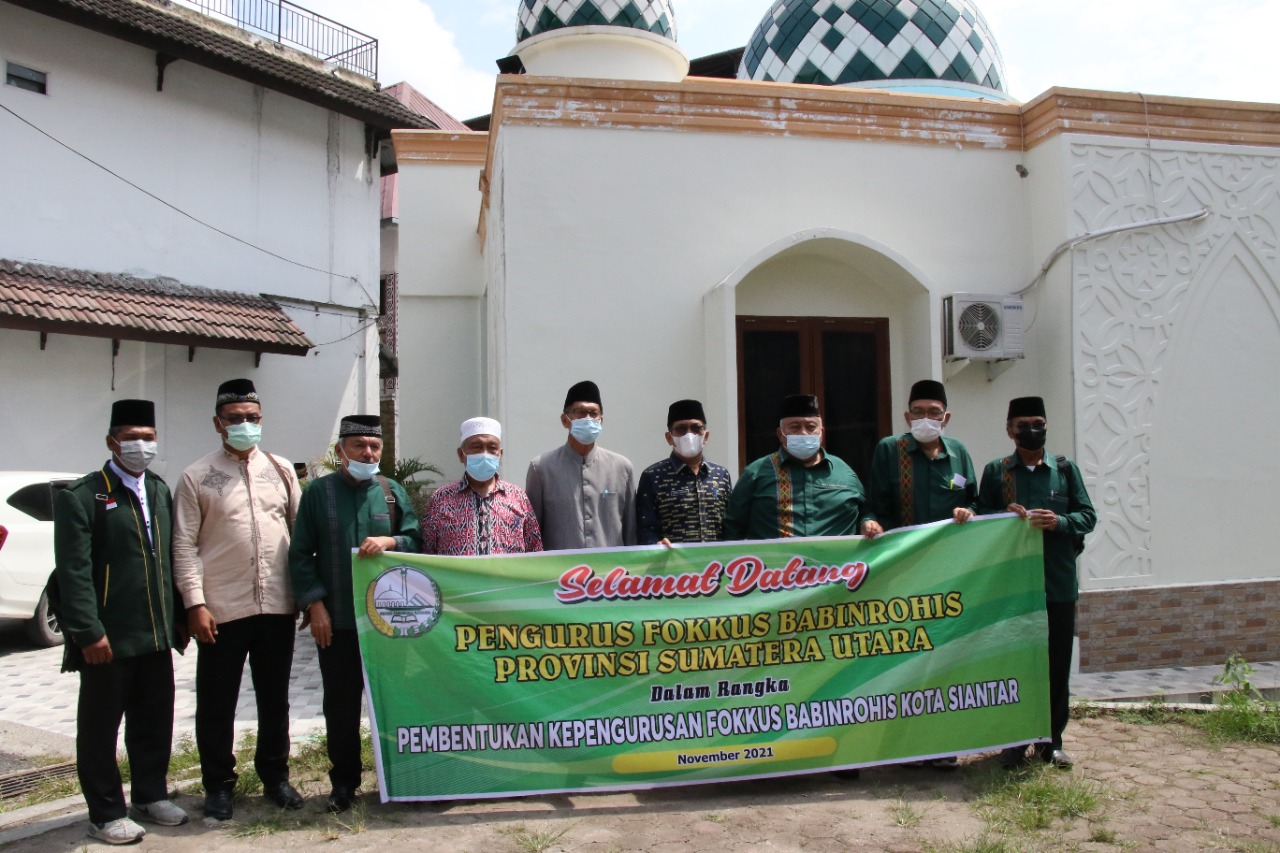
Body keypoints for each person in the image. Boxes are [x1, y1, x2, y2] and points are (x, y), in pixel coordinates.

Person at [53, 399, 189, 844]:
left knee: (154, 721)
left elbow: (169, 558)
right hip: (108, 638)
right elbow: (73, 572)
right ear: (112, 442)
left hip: (155, 633)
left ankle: (150, 795)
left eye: (147, 438)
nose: (140, 446)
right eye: (131, 438)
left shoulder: (159, 491)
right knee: (99, 729)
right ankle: (105, 812)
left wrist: (178, 618)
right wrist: (87, 631)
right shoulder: (83, 496)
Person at [172, 379, 303, 820]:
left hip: (277, 606)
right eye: (235, 419)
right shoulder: (196, 476)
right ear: (218, 423)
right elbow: (183, 545)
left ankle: (275, 777)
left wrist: (305, 596)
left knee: (275, 698)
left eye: (253, 418)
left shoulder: (281, 470)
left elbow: (300, 535)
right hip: (220, 610)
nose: (245, 425)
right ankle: (218, 785)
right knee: (217, 701)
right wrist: (195, 604)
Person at [288, 415, 421, 812]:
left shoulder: (392, 493)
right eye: (359, 445)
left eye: (374, 446)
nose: (367, 453)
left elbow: (417, 541)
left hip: (389, 624)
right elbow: (300, 554)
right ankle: (343, 783)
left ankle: (399, 777)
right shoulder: (319, 493)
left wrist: (390, 541)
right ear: (341, 450)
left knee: (394, 701)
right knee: (341, 706)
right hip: (339, 622)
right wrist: (316, 606)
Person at [861, 379, 977, 770]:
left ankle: (942, 743)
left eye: (933, 412)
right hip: (904, 572)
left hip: (950, 573)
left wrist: (969, 512)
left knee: (944, 657)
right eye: (918, 412)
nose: (926, 418)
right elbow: (873, 504)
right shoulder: (889, 450)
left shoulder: (959, 454)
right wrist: (870, 522)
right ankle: (904, 744)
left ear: (946, 417)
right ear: (907, 416)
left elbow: (974, 500)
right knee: (905, 657)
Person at [977, 396, 1096, 769]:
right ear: (1009, 430)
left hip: (1056, 585)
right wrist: (1002, 516)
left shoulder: (1065, 470)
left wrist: (1059, 522)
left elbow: (1087, 516)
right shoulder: (997, 472)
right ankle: (1014, 742)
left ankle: (1051, 742)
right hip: (1012, 589)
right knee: (1014, 665)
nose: (1032, 430)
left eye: (1038, 423)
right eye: (1023, 424)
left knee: (1056, 667)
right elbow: (979, 518)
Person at [723, 393, 867, 540]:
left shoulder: (844, 472)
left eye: (811, 427)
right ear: (780, 434)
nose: (803, 433)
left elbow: (865, 512)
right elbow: (732, 526)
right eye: (795, 427)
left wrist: (867, 522)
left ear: (822, 433)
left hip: (834, 555)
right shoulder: (756, 473)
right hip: (774, 556)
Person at [526, 380, 636, 550]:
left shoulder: (622, 468)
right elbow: (532, 533)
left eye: (593, 413)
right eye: (580, 413)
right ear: (565, 420)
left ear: (601, 420)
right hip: (560, 566)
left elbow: (631, 532)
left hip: (611, 566)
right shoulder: (541, 468)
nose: (588, 418)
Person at [421, 417, 543, 556]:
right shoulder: (441, 499)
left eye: (492, 448)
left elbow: (535, 551)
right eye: (476, 447)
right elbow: (427, 553)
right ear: (461, 454)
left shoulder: (518, 497)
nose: (484, 454)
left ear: (500, 454)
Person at [635, 399, 733, 545]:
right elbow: (645, 528)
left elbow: (731, 525)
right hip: (672, 559)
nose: (689, 435)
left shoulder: (721, 475)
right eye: (681, 429)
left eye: (696, 428)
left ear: (705, 436)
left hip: (715, 559)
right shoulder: (653, 476)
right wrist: (655, 544)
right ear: (669, 438)